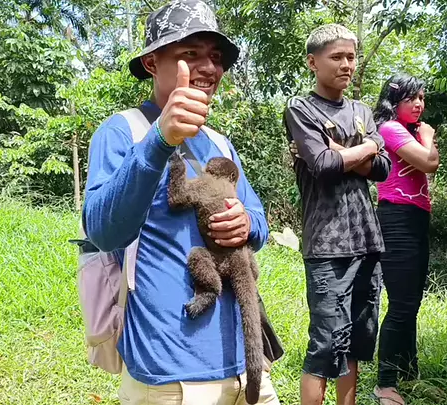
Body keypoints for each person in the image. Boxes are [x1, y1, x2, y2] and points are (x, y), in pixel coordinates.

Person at [81, 0, 280, 403]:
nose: (208, 67)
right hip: (170, 373)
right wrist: (160, 140)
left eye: (216, 57)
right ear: (152, 62)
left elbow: (259, 220)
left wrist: (246, 223)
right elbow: (102, 231)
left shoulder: (219, 142)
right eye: (190, 53)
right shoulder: (122, 132)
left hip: (246, 365)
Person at [283, 23, 391, 405]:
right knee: (326, 343)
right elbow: (324, 166)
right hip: (327, 243)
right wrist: (369, 147)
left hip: (367, 238)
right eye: (337, 57)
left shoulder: (361, 110)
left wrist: (349, 151)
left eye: (351, 57)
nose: (347, 64)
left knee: (357, 340)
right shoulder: (300, 109)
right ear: (313, 62)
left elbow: (383, 170)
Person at [370, 73, 439, 405]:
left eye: (421, 98)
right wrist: (428, 135)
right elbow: (430, 162)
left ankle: (410, 374)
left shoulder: (407, 131)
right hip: (397, 218)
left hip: (415, 218)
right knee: (401, 304)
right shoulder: (390, 128)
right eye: (411, 98)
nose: (419, 104)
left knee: (411, 302)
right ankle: (385, 384)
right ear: (393, 101)